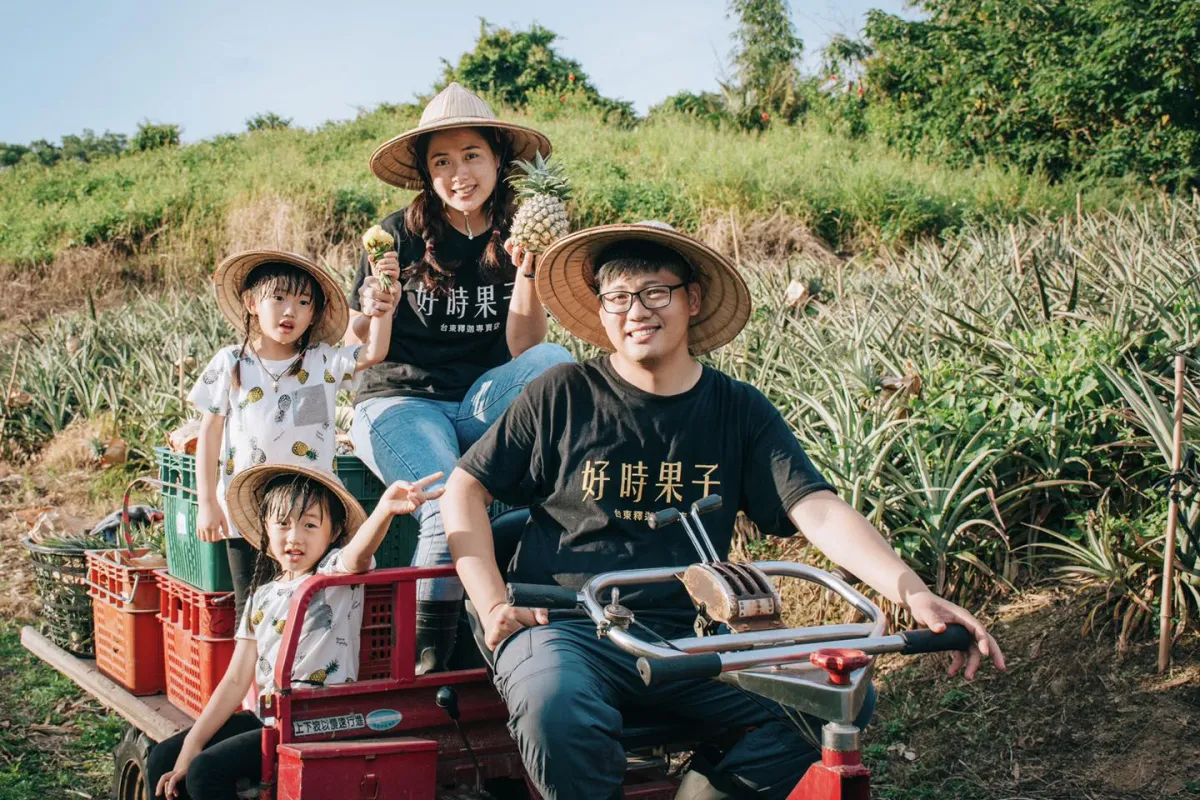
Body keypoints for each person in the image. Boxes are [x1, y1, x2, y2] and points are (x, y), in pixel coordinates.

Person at [442, 222, 1007, 799]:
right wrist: (491, 604)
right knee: (555, 707)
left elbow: (813, 505)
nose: (636, 310)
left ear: (693, 299)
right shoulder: (562, 394)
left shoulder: (737, 409)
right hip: (566, 627)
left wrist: (911, 589)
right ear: (603, 310)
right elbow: (466, 488)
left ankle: (706, 790)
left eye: (654, 292)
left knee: (835, 698)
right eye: (617, 297)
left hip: (696, 634)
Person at [347, 82, 573, 672]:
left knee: (557, 365)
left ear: (498, 158)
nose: (459, 172)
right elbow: (352, 345)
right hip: (398, 402)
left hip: (479, 404)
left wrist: (527, 273)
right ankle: (433, 653)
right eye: (442, 161)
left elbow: (527, 347)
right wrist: (374, 305)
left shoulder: (525, 229)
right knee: (444, 502)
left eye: (472, 154)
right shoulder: (394, 234)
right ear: (426, 172)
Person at [146, 463, 443, 799]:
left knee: (205, 773)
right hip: (270, 718)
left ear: (333, 533)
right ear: (265, 528)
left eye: (310, 525)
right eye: (283, 523)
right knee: (164, 758)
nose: (294, 537)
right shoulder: (262, 596)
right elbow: (234, 679)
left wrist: (385, 511)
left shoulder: (334, 577)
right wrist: (193, 743)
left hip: (319, 720)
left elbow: (359, 555)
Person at [190, 250, 395, 623]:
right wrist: (207, 502)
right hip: (246, 508)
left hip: (310, 511)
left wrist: (383, 308)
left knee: (308, 605)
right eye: (279, 298)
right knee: (250, 608)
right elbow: (209, 435)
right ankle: (255, 681)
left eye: (303, 303)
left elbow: (374, 352)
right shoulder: (229, 363)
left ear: (314, 315)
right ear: (251, 303)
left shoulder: (321, 360)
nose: (290, 312)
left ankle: (298, 679)